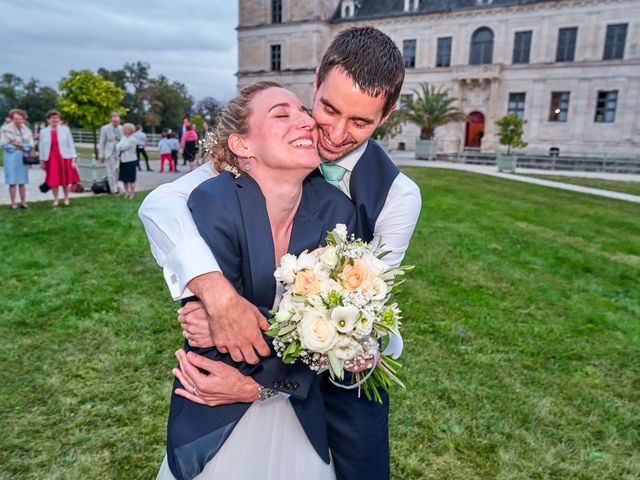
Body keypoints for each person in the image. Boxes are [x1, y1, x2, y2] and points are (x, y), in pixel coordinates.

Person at [140, 27, 421, 480]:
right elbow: (162, 204)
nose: (334, 131)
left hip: (339, 388)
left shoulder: (397, 197)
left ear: (386, 116)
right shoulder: (260, 150)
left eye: (361, 122)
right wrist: (216, 296)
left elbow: (373, 324)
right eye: (328, 108)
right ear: (315, 82)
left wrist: (259, 384)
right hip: (242, 377)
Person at [154, 81, 356, 480]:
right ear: (243, 146)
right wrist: (316, 334)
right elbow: (218, 343)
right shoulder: (215, 201)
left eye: (303, 111)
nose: (305, 121)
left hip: (300, 409)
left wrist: (265, 380)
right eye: (282, 114)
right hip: (217, 404)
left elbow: (338, 330)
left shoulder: (336, 210)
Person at [38, 109, 80, 207]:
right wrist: (41, 160)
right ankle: (56, 199)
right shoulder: (44, 132)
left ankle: (66, 198)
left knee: (65, 180)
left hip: (64, 158)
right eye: (53, 118)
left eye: (57, 118)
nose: (55, 120)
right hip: (51, 159)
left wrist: (73, 158)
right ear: (48, 119)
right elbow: (41, 147)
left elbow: (71, 144)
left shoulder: (65, 129)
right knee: (54, 180)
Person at [1, 108, 34, 211]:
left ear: (23, 119)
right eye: (16, 118)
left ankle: (24, 203)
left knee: (22, 181)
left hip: (22, 158)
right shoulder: (6, 129)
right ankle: (13, 203)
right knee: (12, 181)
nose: (18, 121)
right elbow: (4, 145)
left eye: (21, 118)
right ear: (12, 119)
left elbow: (31, 144)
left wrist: (18, 144)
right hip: (11, 158)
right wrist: (20, 146)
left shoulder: (27, 130)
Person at [98, 113, 123, 195]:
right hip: (109, 152)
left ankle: (116, 186)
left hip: (118, 153)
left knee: (117, 171)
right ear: (111, 120)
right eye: (114, 121)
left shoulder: (121, 128)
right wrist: (101, 154)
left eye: (117, 121)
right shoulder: (105, 128)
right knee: (111, 171)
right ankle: (113, 189)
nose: (116, 123)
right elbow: (102, 142)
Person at [116, 123, 138, 198]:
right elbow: (118, 146)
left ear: (129, 130)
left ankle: (132, 193)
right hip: (123, 161)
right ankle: (127, 192)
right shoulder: (123, 138)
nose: (123, 130)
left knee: (131, 179)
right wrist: (119, 146)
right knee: (124, 179)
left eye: (124, 129)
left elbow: (123, 147)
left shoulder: (132, 140)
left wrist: (119, 146)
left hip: (131, 161)